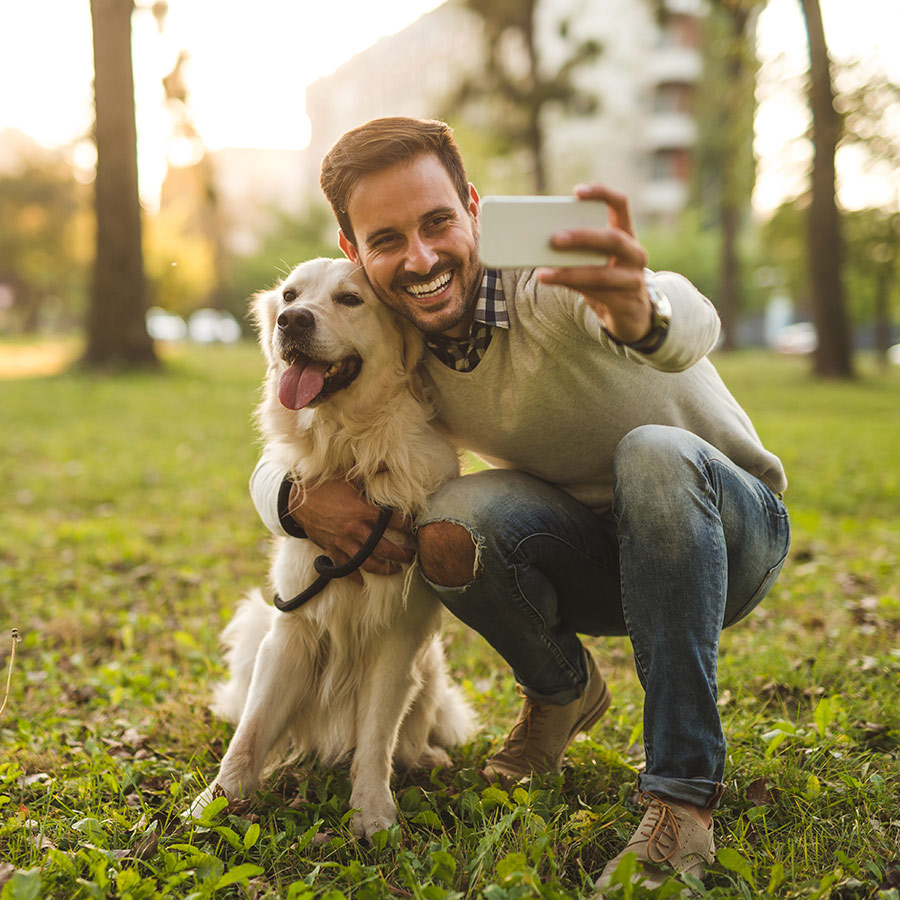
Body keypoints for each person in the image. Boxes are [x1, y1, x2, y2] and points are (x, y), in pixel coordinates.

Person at [249, 117, 790, 892]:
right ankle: (563, 690)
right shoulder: (391, 337)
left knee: (653, 453)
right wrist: (294, 501)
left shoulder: (547, 278)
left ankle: (681, 798)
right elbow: (290, 440)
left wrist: (643, 313)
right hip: (593, 556)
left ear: (473, 208)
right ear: (354, 253)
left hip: (726, 531)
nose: (423, 257)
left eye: (439, 222)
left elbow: (684, 311)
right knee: (450, 519)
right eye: (389, 238)